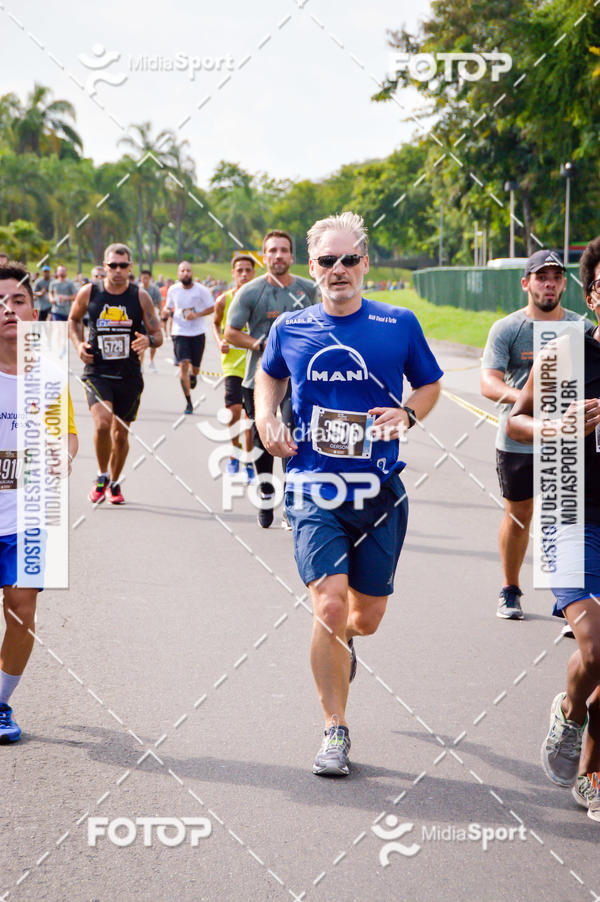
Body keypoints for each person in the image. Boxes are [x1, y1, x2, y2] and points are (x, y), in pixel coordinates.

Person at [254, 213, 443, 775]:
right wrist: (267, 417)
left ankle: (347, 643)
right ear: (313, 268)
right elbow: (269, 375)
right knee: (329, 604)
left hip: (379, 489)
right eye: (328, 261)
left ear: (366, 262)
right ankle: (335, 728)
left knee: (367, 616)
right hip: (313, 483)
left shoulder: (398, 322)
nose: (339, 270)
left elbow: (431, 383)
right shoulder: (291, 328)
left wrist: (408, 413)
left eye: (349, 259)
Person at [507, 235, 600, 821]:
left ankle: (593, 774)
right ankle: (570, 711)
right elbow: (515, 419)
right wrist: (555, 426)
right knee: (593, 650)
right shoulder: (564, 353)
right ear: (592, 295)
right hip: (572, 512)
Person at [481, 250, 592, 620]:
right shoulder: (508, 328)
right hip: (519, 439)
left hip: (570, 442)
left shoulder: (580, 327)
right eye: (541, 277)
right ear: (526, 283)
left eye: (556, 277)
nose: (549, 283)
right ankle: (510, 588)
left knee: (568, 514)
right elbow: (488, 382)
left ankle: (570, 600)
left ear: (564, 284)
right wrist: (535, 396)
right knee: (520, 514)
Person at [0, 262, 78, 743]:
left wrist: (62, 458)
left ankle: (1, 704)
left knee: (22, 610)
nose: (8, 310)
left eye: (17, 301)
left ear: (34, 308)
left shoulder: (48, 373)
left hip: (27, 515)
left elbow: (67, 436)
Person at [225, 230, 319, 527]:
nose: (278, 256)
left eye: (283, 250)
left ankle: (292, 501)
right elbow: (231, 332)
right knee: (263, 437)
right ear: (264, 257)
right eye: (272, 251)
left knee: (292, 435)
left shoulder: (309, 290)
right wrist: (261, 345)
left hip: (299, 381)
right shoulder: (251, 291)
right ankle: (266, 490)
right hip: (259, 380)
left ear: (292, 256)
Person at [68, 243, 163, 504]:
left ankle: (115, 482)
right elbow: (73, 320)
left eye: (123, 266)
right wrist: (78, 345)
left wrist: (148, 341)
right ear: (104, 266)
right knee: (102, 423)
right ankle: (101, 476)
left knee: (121, 435)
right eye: (113, 265)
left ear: (130, 267)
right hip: (97, 370)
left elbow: (158, 335)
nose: (118, 270)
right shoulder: (90, 292)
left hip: (129, 374)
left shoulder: (139, 296)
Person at [212, 254, 256, 478]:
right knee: (234, 412)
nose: (244, 274)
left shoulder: (261, 299)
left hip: (255, 366)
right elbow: (215, 324)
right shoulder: (223, 300)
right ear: (233, 273)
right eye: (239, 270)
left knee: (250, 417)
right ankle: (234, 451)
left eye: (248, 270)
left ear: (254, 273)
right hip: (232, 365)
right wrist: (220, 342)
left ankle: (248, 460)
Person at [162, 262, 214, 414]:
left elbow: (212, 307)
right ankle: (189, 402)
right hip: (179, 332)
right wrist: (165, 312)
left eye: (188, 271)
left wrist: (196, 314)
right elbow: (168, 306)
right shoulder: (173, 290)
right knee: (183, 364)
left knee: (195, 368)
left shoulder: (201, 290)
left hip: (197, 332)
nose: (185, 273)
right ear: (178, 274)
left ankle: (194, 375)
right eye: (182, 271)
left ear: (192, 273)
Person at [139, 270, 162, 372]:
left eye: (146, 278)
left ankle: (152, 361)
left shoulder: (154, 289)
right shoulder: (138, 289)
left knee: (153, 341)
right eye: (143, 278)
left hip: (151, 320)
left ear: (150, 278)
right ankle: (141, 363)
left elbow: (160, 303)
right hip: (140, 321)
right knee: (141, 342)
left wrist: (161, 315)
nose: (145, 280)